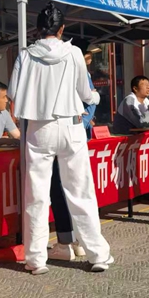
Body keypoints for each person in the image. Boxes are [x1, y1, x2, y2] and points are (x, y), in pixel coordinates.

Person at [9, 3, 113, 274]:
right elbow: (85, 92)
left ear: (38, 28)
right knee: (80, 191)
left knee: (36, 195)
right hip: (71, 124)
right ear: (62, 28)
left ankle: (36, 259)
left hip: (39, 127)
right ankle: (97, 254)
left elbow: (13, 94)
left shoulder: (25, 55)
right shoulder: (74, 52)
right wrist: (95, 97)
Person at [48, 39, 95, 261]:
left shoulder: (45, 63)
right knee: (74, 188)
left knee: (64, 188)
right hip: (71, 134)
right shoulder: (74, 65)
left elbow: (90, 100)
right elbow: (90, 99)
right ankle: (76, 242)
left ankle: (72, 242)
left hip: (58, 133)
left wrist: (80, 123)